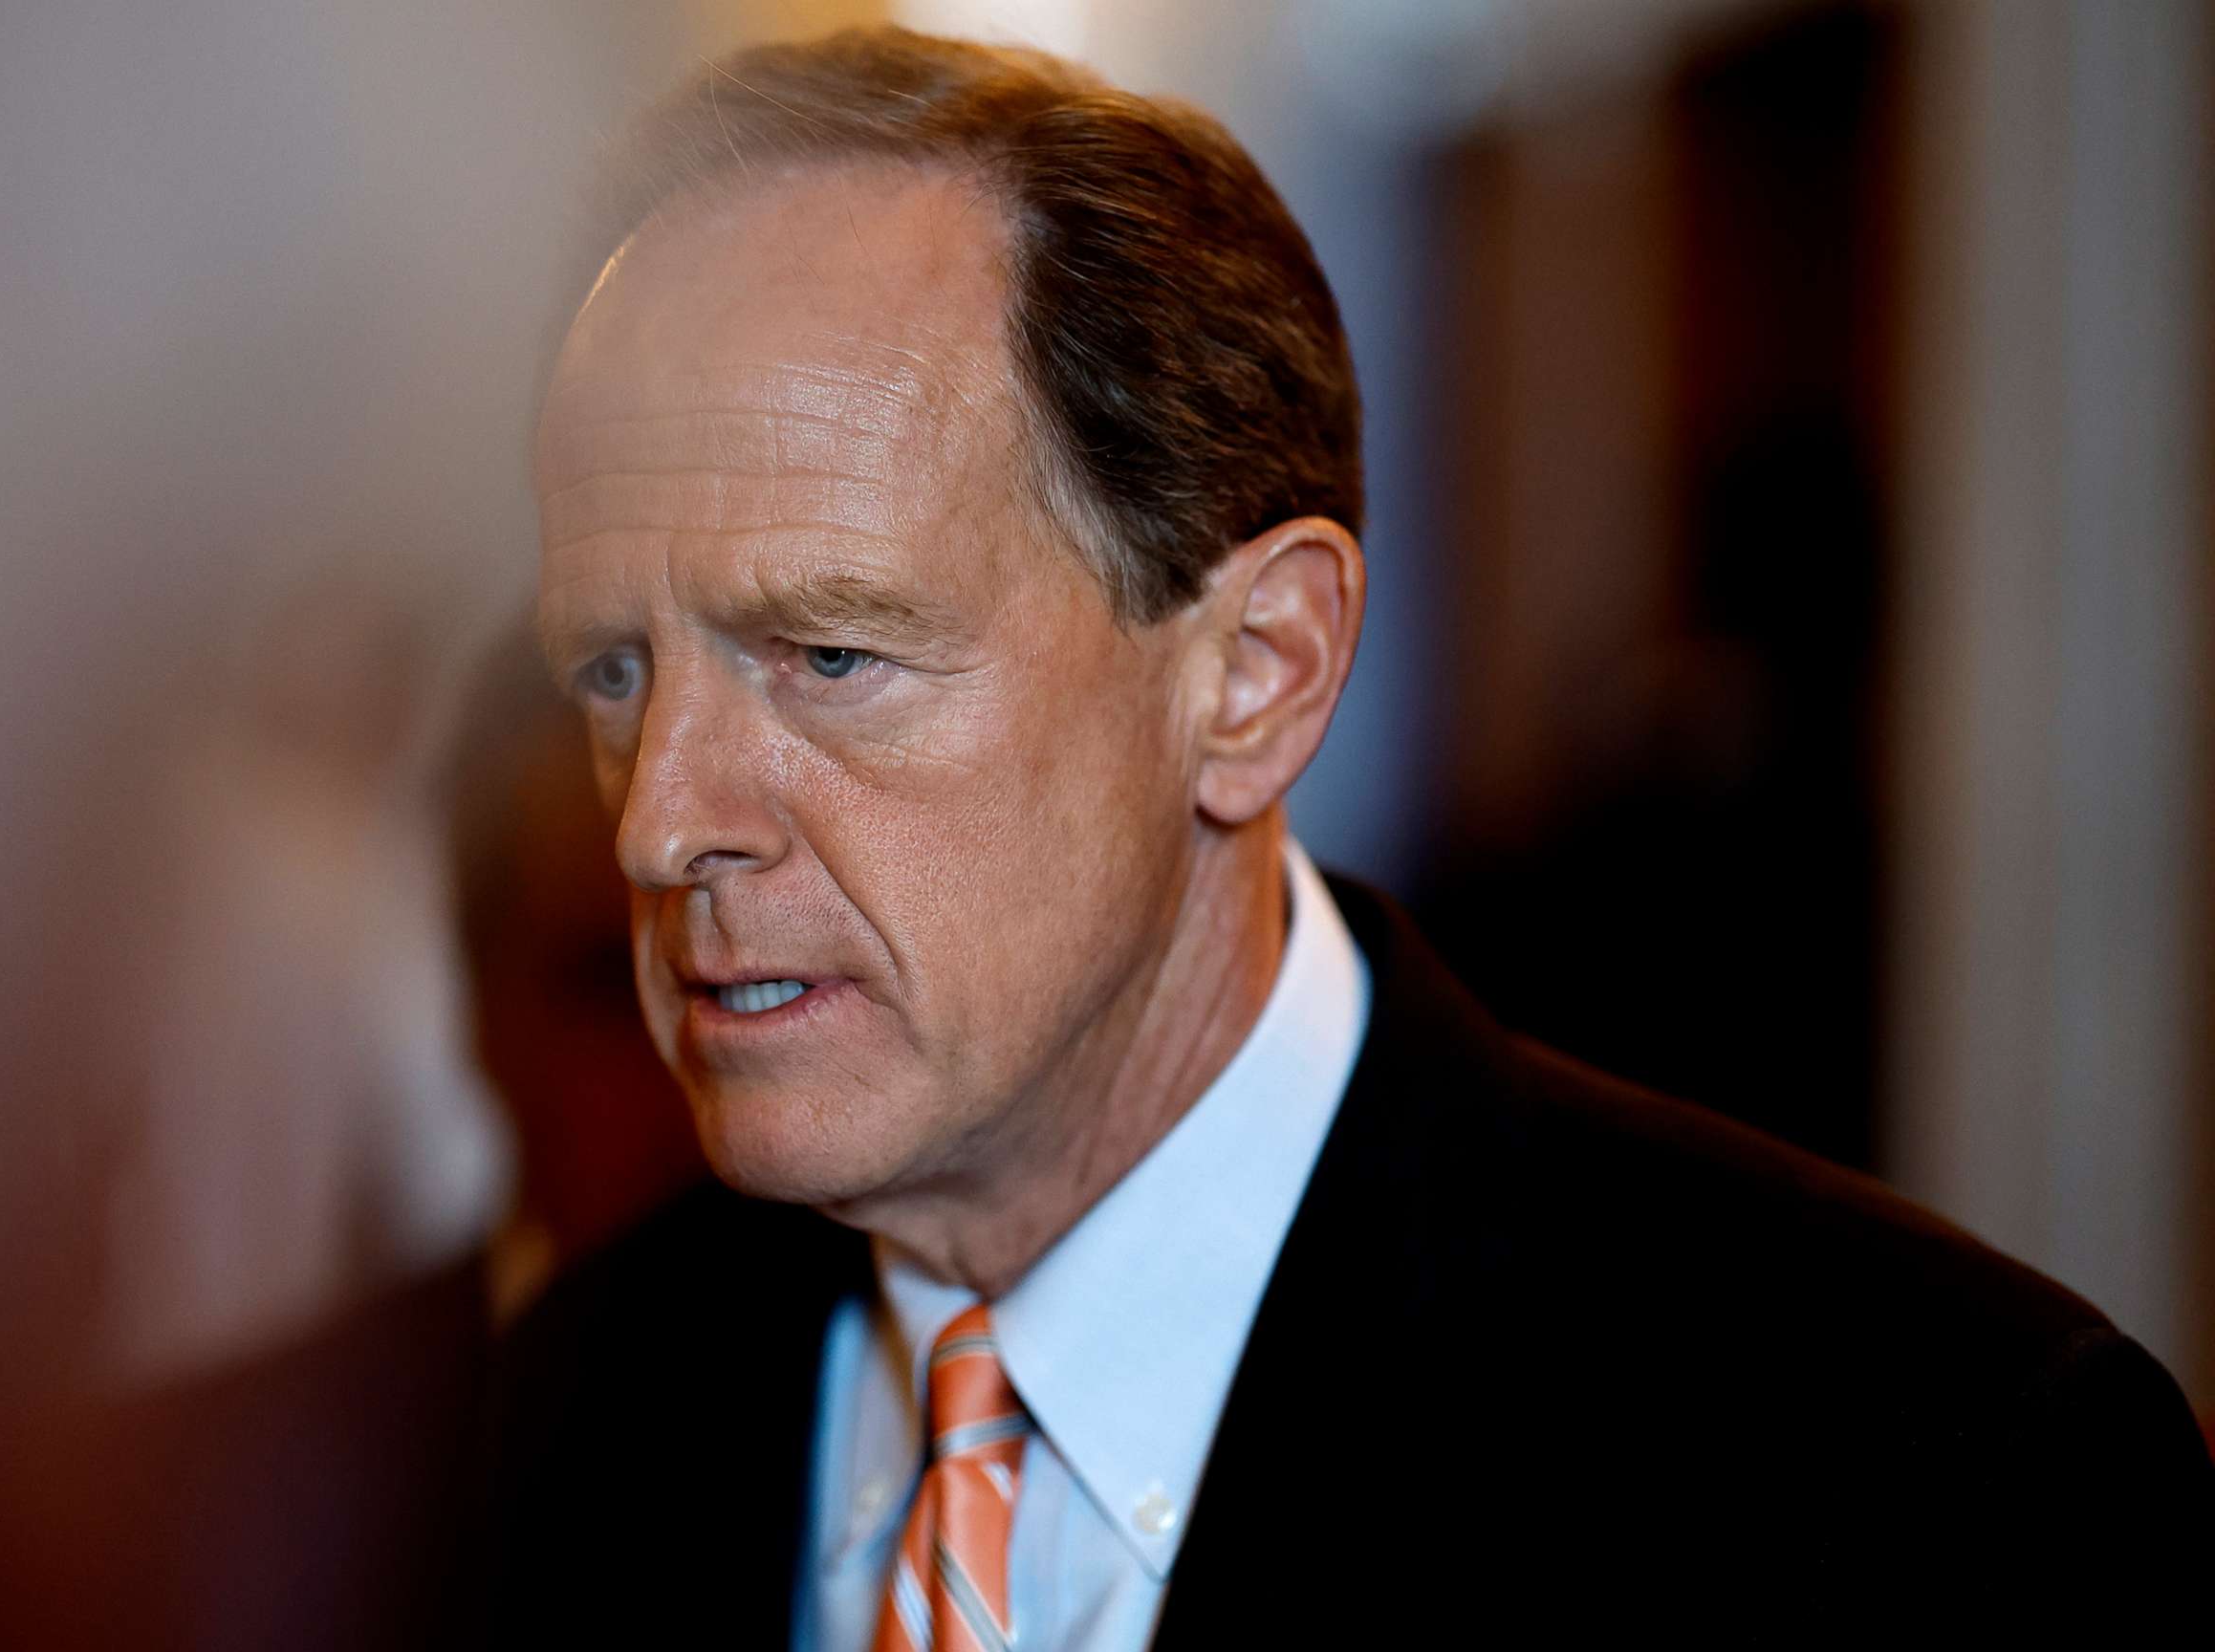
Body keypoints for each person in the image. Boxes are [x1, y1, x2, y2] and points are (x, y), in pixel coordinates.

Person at [482, 25, 2212, 1646]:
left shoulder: (1928, 1481)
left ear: (1257, 674)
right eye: (614, 668)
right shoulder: (527, 1432)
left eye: (833, 652)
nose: (657, 820)